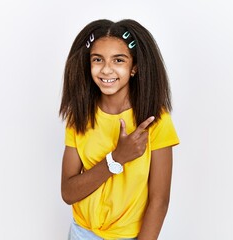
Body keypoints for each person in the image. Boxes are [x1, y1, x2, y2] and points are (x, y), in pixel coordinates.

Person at [59, 19, 180, 240]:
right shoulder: (79, 115)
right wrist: (116, 159)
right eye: (98, 59)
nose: (106, 69)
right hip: (81, 233)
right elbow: (68, 192)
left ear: (134, 67)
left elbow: (159, 200)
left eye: (118, 60)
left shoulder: (155, 118)